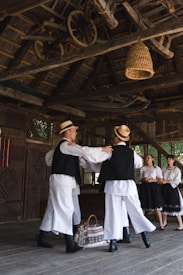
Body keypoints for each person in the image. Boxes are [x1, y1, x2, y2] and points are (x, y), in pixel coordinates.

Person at [37, 120, 112, 253]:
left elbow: (86, 160)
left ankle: (41, 237)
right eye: (74, 130)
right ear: (67, 132)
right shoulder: (65, 145)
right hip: (61, 179)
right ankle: (69, 243)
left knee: (52, 209)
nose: (76, 133)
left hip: (67, 180)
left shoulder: (70, 148)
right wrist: (102, 149)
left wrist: (102, 164)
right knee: (66, 209)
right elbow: (84, 150)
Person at [98, 124, 156, 252]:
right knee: (136, 211)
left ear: (117, 138)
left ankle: (113, 243)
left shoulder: (110, 151)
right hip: (128, 185)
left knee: (113, 213)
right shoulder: (132, 153)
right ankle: (145, 237)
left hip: (113, 185)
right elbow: (139, 164)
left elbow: (97, 160)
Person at [139, 154, 164, 230]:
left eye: (148, 158)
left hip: (154, 187)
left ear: (152, 159)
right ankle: (141, 224)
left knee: (156, 205)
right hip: (145, 187)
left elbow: (160, 179)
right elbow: (140, 179)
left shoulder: (156, 168)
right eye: (146, 158)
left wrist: (152, 180)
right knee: (143, 205)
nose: (147, 159)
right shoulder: (143, 168)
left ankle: (161, 224)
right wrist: (144, 179)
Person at [158, 155, 183, 230]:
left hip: (172, 188)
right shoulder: (164, 169)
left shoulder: (176, 170)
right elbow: (161, 177)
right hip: (165, 189)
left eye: (170, 159)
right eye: (168, 159)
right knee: (164, 205)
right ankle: (164, 222)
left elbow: (177, 181)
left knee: (175, 205)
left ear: (173, 160)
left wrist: (167, 181)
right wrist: (160, 180)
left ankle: (181, 224)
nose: (168, 161)